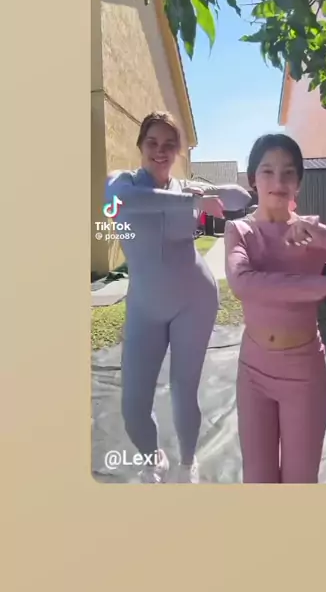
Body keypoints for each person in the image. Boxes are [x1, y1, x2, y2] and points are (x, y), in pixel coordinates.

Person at [224, 133, 326, 484]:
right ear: (253, 179)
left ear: (298, 183)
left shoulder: (311, 233)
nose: (278, 181)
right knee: (258, 480)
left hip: (303, 372)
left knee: (299, 482)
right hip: (253, 372)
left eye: (288, 172)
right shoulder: (239, 231)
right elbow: (244, 283)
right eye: (267, 171)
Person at [104, 111, 251, 484]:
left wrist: (206, 193)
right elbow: (121, 202)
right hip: (145, 307)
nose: (160, 151)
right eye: (152, 142)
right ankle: (153, 459)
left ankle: (187, 463)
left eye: (169, 145)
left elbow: (241, 196)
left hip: (194, 300)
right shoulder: (121, 183)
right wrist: (189, 203)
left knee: (185, 393)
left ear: (178, 151)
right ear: (140, 145)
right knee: (133, 407)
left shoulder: (188, 187)